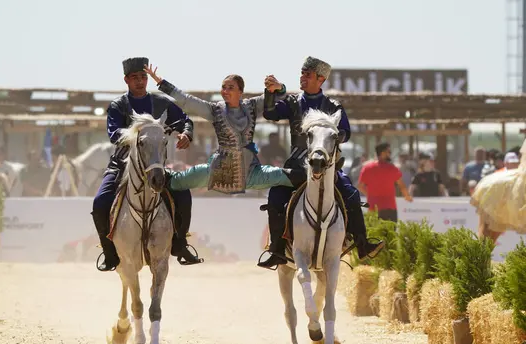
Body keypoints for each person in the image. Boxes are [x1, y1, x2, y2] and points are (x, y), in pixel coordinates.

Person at [258, 56, 385, 268]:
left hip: (327, 165)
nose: (302, 78)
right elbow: (269, 113)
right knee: (275, 196)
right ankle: (278, 249)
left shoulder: (333, 106)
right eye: (302, 74)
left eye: (307, 75)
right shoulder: (292, 102)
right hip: (297, 165)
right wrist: (272, 92)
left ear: (321, 79)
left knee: (352, 195)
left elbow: (346, 132)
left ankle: (362, 245)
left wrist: (331, 137)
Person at [91, 57, 202, 272]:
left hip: (156, 166)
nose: (140, 81)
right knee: (99, 204)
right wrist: (139, 135)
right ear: (126, 80)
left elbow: (185, 120)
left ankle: (180, 245)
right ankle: (109, 253)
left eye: (143, 77)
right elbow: (114, 135)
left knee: (184, 195)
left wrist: (186, 133)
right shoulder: (118, 105)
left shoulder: (162, 103)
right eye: (135, 78)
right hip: (122, 165)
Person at [143, 64, 305, 194]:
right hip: (216, 173)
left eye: (230, 87)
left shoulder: (252, 106)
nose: (225, 91)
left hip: (251, 174)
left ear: (240, 92)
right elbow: (186, 101)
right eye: (223, 87)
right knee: (172, 182)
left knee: (298, 176)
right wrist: (160, 82)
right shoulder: (215, 110)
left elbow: (277, 95)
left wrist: (279, 86)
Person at [358, 142, 413, 222]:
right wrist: (407, 196)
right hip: (389, 208)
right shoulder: (392, 168)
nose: (390, 154)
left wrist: (370, 195)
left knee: (374, 233)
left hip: (373, 209)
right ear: (383, 153)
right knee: (390, 233)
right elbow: (401, 185)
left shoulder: (367, 168)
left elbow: (360, 186)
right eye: (389, 152)